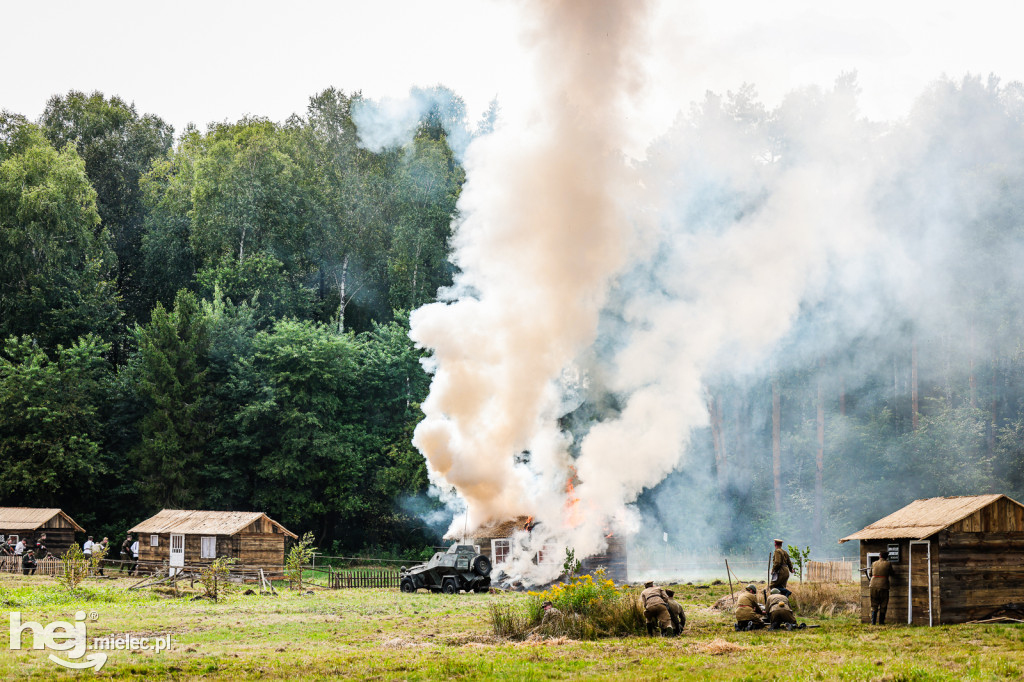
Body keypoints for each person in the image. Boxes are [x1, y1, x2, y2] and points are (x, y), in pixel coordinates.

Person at [869, 554, 893, 625]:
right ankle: (881, 622)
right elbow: (892, 573)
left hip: (873, 585)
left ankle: (873, 622)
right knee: (883, 603)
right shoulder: (888, 563)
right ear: (886, 557)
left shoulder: (874, 563)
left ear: (879, 556)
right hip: (884, 585)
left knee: (874, 603)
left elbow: (870, 574)